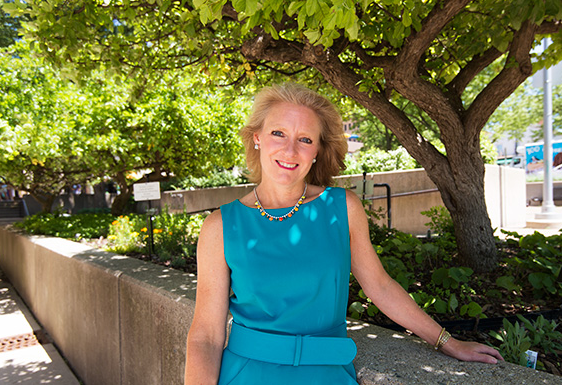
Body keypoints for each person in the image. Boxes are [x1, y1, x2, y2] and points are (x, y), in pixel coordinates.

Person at [185, 83, 503, 384]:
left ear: (318, 151)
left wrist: (446, 341)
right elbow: (206, 336)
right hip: (246, 374)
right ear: (257, 138)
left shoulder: (342, 208)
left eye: (305, 139)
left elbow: (379, 286)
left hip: (327, 374)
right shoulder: (221, 226)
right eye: (278, 133)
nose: (290, 149)